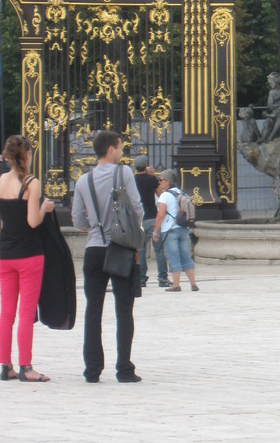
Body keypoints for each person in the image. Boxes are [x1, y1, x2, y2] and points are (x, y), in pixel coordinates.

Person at [72, 130, 144, 383]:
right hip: (120, 247)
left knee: (93, 310)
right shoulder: (123, 173)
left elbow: (77, 219)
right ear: (111, 149)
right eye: (121, 147)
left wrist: (95, 225)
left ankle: (92, 369)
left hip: (94, 248)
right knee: (124, 309)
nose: (122, 151)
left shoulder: (83, 181)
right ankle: (124, 368)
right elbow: (136, 207)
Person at [0, 135, 55, 382]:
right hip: (29, 254)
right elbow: (32, 221)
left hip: (5, 255)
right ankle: (26, 366)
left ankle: (5, 364)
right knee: (26, 313)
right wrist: (44, 208)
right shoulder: (31, 183)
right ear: (28, 154)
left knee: (6, 312)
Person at [152, 170, 199, 292]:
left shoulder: (165, 195)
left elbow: (160, 214)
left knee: (174, 257)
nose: (159, 183)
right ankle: (193, 283)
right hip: (183, 228)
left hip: (170, 229)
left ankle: (176, 285)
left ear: (168, 181)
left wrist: (155, 231)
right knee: (186, 256)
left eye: (161, 180)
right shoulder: (180, 192)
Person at [134, 154, 170, 288]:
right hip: (152, 218)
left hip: (139, 219)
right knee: (159, 249)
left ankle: (141, 278)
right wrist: (152, 176)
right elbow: (161, 194)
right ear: (146, 166)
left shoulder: (132, 180)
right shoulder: (151, 179)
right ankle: (162, 278)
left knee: (141, 250)